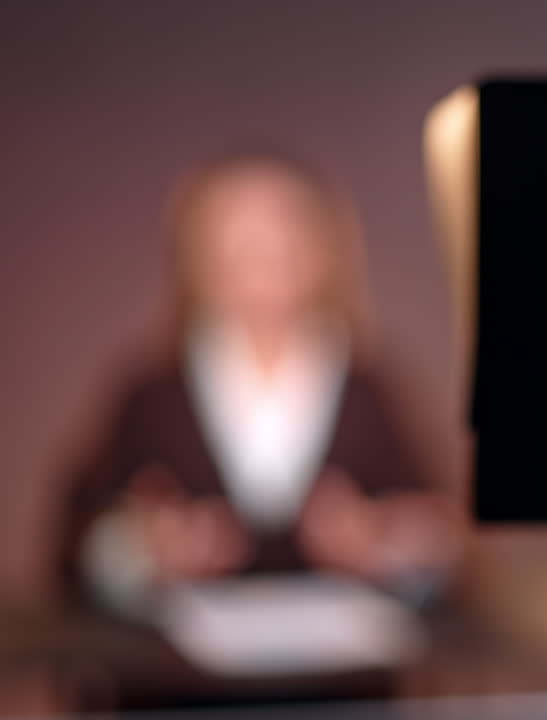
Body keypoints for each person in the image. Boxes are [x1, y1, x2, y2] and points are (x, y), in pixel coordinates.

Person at [57, 147, 463, 618]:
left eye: (284, 233)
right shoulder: (152, 393)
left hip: (343, 676)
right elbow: (74, 548)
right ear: (196, 253)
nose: (263, 257)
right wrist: (146, 549)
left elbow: (450, 549)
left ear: (326, 250)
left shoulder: (371, 389)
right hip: (181, 677)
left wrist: (382, 539)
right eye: (238, 237)